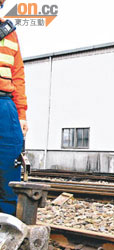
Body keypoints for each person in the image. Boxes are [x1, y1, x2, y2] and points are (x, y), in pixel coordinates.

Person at [0, 0, 28, 215]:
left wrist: (21, 114)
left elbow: (17, 75)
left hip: (6, 104)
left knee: (10, 161)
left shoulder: (9, 32)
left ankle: (6, 225)